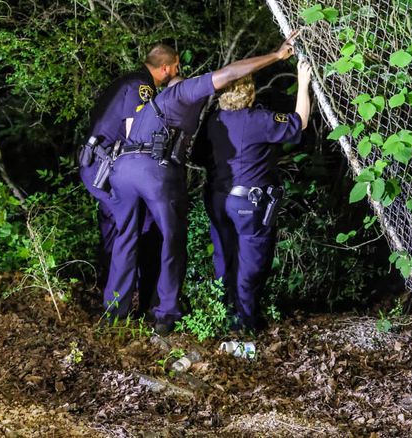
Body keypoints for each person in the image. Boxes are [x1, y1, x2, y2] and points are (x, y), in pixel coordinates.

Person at [100, 36, 297, 333]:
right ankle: (166, 314)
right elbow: (230, 73)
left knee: (126, 239)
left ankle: (114, 313)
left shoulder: (154, 101)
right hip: (151, 172)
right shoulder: (182, 92)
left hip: (122, 169)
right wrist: (276, 55)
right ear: (171, 72)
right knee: (172, 240)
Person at [203, 61, 313, 331]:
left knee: (224, 258)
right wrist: (303, 82)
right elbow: (299, 123)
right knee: (251, 264)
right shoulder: (259, 119)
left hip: (218, 199)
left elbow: (199, 156)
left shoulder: (213, 121)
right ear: (250, 92)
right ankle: (245, 324)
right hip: (249, 204)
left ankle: (222, 317)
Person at [78, 45, 180, 303]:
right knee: (136, 230)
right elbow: (136, 130)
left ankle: (112, 294)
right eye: (176, 67)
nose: (177, 71)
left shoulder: (126, 80)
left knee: (116, 229)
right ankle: (130, 301)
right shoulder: (141, 86)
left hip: (97, 166)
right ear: (166, 68)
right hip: (106, 169)